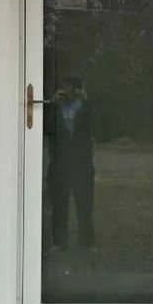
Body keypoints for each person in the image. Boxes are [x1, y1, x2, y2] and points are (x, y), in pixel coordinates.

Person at [46, 76, 95, 250]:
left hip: (82, 162)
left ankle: (86, 241)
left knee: (84, 203)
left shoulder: (85, 108)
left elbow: (97, 127)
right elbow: (46, 128)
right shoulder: (57, 107)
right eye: (66, 88)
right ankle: (60, 242)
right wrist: (52, 103)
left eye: (72, 89)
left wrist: (86, 102)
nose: (69, 92)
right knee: (59, 204)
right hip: (60, 162)